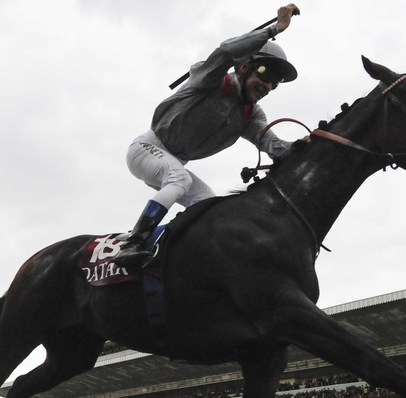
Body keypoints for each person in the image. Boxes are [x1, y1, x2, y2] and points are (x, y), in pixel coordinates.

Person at [113, 4, 303, 268]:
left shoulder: (251, 114)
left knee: (210, 207)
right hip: (146, 148)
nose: (268, 86)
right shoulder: (211, 79)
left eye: (275, 82)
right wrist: (274, 30)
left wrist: (312, 143)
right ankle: (132, 243)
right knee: (177, 178)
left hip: (173, 163)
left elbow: (275, 146)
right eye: (265, 73)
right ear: (244, 67)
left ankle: (168, 252)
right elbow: (225, 52)